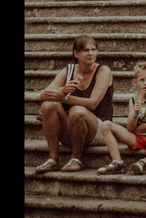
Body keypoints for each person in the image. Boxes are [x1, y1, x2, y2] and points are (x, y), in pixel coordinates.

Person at [34, 35, 115, 173]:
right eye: (85, 50)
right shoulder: (69, 70)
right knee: (48, 106)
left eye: (93, 49)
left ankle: (76, 159)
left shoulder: (103, 71)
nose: (90, 53)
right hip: (73, 128)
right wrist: (62, 90)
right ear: (76, 53)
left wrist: (64, 98)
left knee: (77, 110)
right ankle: (53, 159)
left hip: (99, 129)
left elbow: (92, 103)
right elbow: (43, 94)